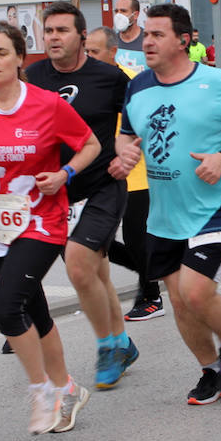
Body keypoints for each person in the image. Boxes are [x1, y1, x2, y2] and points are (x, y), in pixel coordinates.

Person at [0, 22, 100, 434]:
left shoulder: (47, 104)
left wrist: (64, 173)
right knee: (34, 312)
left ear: (20, 59)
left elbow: (91, 144)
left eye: (1, 53)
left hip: (41, 221)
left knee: (6, 307)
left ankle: (42, 389)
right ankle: (68, 388)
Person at [110, 3, 221, 405]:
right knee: (179, 301)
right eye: (146, 33)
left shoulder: (217, 83)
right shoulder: (139, 86)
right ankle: (210, 369)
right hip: (165, 214)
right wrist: (126, 153)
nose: (147, 41)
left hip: (215, 206)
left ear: (183, 40)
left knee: (196, 292)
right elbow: (126, 135)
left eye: (157, 34)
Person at [26, 2, 139, 389]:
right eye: (48, 31)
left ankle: (107, 347)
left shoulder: (110, 77)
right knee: (95, 272)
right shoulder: (33, 76)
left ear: (80, 35)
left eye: (62, 30)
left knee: (77, 266)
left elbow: (141, 116)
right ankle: (123, 342)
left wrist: (128, 152)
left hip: (103, 184)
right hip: (56, 192)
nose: (53, 37)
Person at [85, 26, 164, 322]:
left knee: (135, 239)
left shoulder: (130, 83)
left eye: (94, 52)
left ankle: (151, 294)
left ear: (113, 51)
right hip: (101, 176)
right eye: (86, 51)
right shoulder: (88, 86)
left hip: (137, 174)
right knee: (98, 242)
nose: (89, 57)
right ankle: (163, 270)